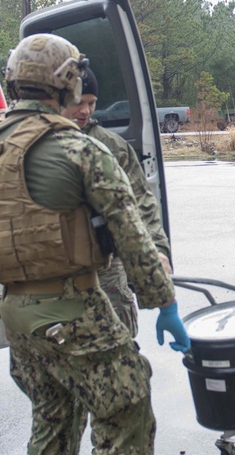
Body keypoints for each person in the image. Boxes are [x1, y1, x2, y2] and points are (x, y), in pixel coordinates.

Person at [0, 33, 190, 455]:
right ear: (64, 83)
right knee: (125, 409)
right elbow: (132, 233)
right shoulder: (76, 148)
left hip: (17, 314)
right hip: (72, 308)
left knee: (52, 414)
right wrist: (162, 301)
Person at [62, 66, 173, 337]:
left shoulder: (111, 146)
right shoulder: (37, 146)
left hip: (107, 270)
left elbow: (142, 203)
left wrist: (158, 249)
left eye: (91, 103)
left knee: (119, 345)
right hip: (55, 277)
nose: (86, 111)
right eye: (78, 102)